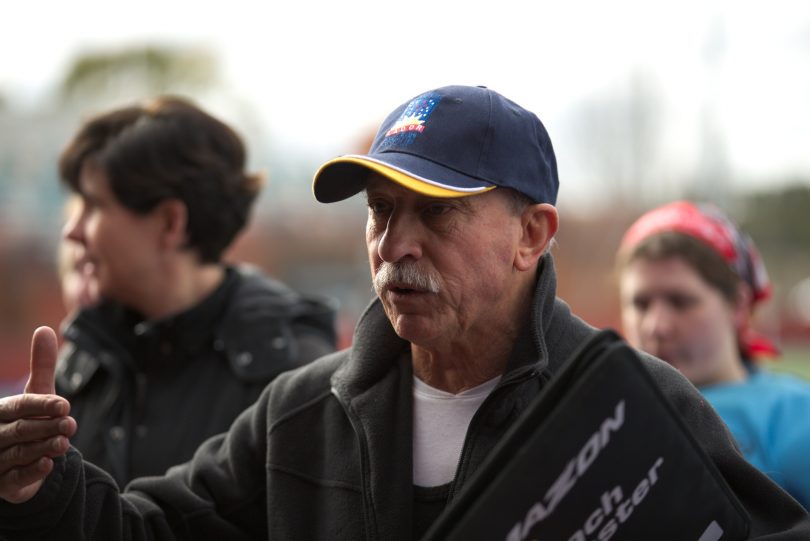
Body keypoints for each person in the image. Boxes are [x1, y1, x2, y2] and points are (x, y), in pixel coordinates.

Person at [0, 85, 808, 539]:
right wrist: (43, 486)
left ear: (533, 233)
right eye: (381, 211)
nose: (395, 245)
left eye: (438, 213)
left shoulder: (634, 403)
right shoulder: (301, 412)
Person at [49, 97, 338, 487]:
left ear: (171, 222)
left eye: (94, 205)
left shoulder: (289, 375)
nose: (73, 231)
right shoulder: (86, 358)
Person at [616, 200, 810, 509]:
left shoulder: (793, 414)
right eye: (640, 304)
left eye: (681, 301)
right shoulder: (607, 414)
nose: (657, 326)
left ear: (738, 305)